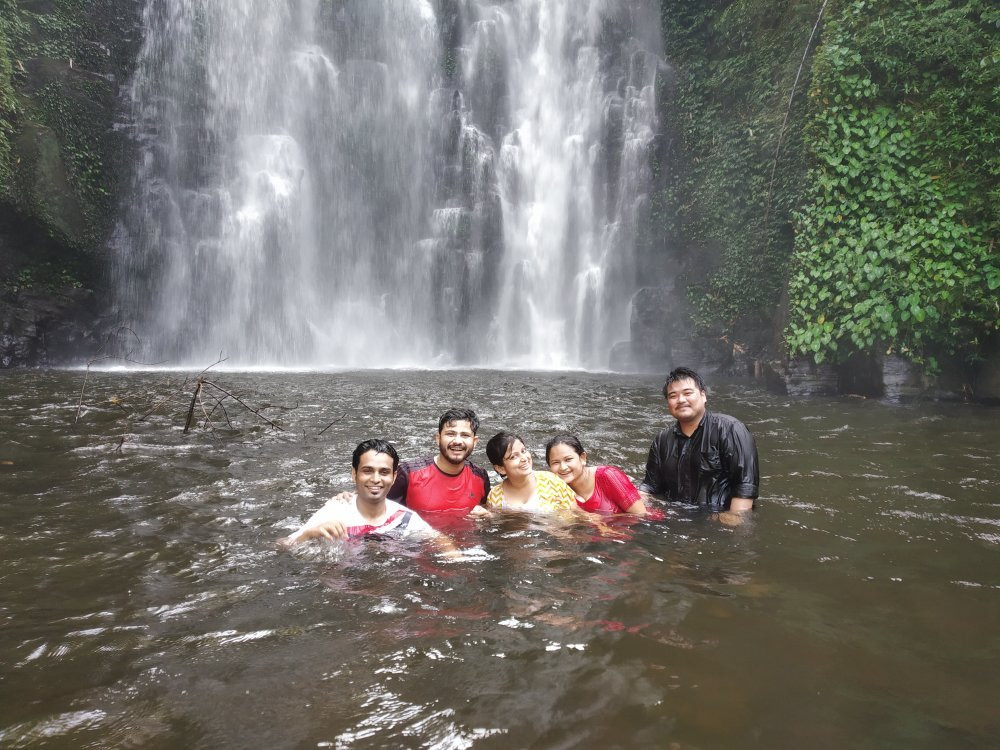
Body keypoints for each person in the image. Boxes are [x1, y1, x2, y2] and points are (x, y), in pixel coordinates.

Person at [638, 366, 759, 524]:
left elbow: (745, 485)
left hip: (718, 519)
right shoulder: (662, 440)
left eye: (688, 393)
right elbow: (651, 485)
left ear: (703, 395)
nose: (681, 400)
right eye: (673, 396)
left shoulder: (730, 429)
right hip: (674, 520)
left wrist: (732, 520)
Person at [280, 439, 439, 544]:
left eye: (384, 472)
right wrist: (309, 535)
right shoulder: (334, 513)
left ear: (394, 476)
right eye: (367, 471)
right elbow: (283, 545)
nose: (376, 479)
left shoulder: (405, 518)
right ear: (354, 474)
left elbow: (439, 541)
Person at [387, 408, 491, 516]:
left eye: (465, 435)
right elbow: (383, 515)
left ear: (474, 442)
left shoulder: (480, 476)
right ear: (438, 438)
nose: (457, 441)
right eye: (450, 434)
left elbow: (485, 511)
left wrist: (487, 518)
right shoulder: (407, 473)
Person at [545, 434, 648, 515]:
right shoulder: (554, 491)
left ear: (582, 458)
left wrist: (591, 518)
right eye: (555, 462)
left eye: (568, 459)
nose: (563, 467)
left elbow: (642, 515)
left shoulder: (609, 475)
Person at [484, 431, 579, 512]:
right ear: (500, 468)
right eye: (513, 456)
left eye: (523, 451)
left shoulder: (551, 482)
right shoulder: (495, 497)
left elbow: (577, 514)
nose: (524, 458)